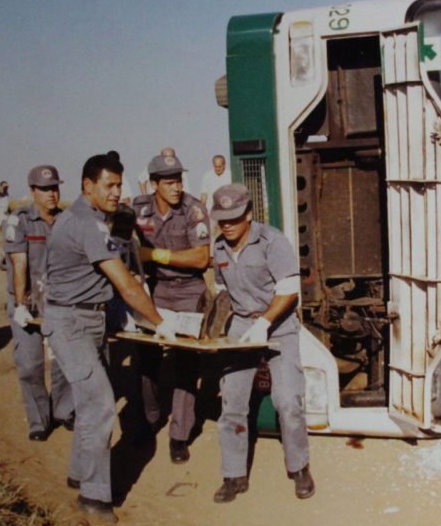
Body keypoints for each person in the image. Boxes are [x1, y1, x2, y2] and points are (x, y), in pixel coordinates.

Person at [42, 152, 176, 523]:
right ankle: (94, 498)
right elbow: (127, 284)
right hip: (70, 323)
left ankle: (79, 474)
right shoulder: (86, 223)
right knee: (100, 404)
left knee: (90, 402)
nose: (117, 192)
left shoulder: (97, 219)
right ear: (88, 186)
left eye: (120, 185)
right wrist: (159, 323)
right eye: (109, 185)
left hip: (91, 320)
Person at [208, 183, 314, 503]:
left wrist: (265, 324)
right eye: (221, 219)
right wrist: (212, 328)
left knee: (287, 401)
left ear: (249, 214)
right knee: (231, 402)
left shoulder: (272, 241)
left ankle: (299, 467)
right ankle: (233, 474)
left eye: (233, 218)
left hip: (279, 325)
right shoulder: (219, 248)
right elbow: (221, 291)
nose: (226, 225)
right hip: (242, 325)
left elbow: (290, 291)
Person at [132, 153, 211, 462]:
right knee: (147, 357)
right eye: (169, 182)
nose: (177, 187)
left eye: (179, 180)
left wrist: (155, 255)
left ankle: (179, 435)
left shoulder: (194, 210)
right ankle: (151, 418)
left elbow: (200, 258)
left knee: (186, 363)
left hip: (189, 290)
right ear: (154, 185)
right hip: (155, 291)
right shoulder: (138, 208)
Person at [3, 166, 74, 441]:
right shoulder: (18, 220)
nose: (51, 194)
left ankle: (64, 409)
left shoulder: (67, 220)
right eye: (45, 189)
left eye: (55, 187)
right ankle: (38, 419)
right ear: (33, 191)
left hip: (58, 301)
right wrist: (21, 304)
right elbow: (19, 262)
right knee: (30, 363)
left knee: (64, 360)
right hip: (27, 301)